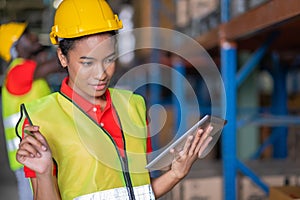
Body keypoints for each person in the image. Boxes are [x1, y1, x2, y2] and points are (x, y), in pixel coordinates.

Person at [15, 0, 213, 199]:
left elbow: (140, 192)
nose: (101, 74)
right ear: (62, 57)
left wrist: (175, 174)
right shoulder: (41, 121)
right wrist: (43, 175)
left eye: (109, 59)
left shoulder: (134, 106)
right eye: (88, 63)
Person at [0, 22, 62, 200]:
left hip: (37, 152)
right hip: (28, 156)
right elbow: (56, 64)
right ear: (14, 46)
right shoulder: (17, 72)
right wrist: (70, 48)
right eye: (26, 35)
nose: (33, 36)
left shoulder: (27, 70)